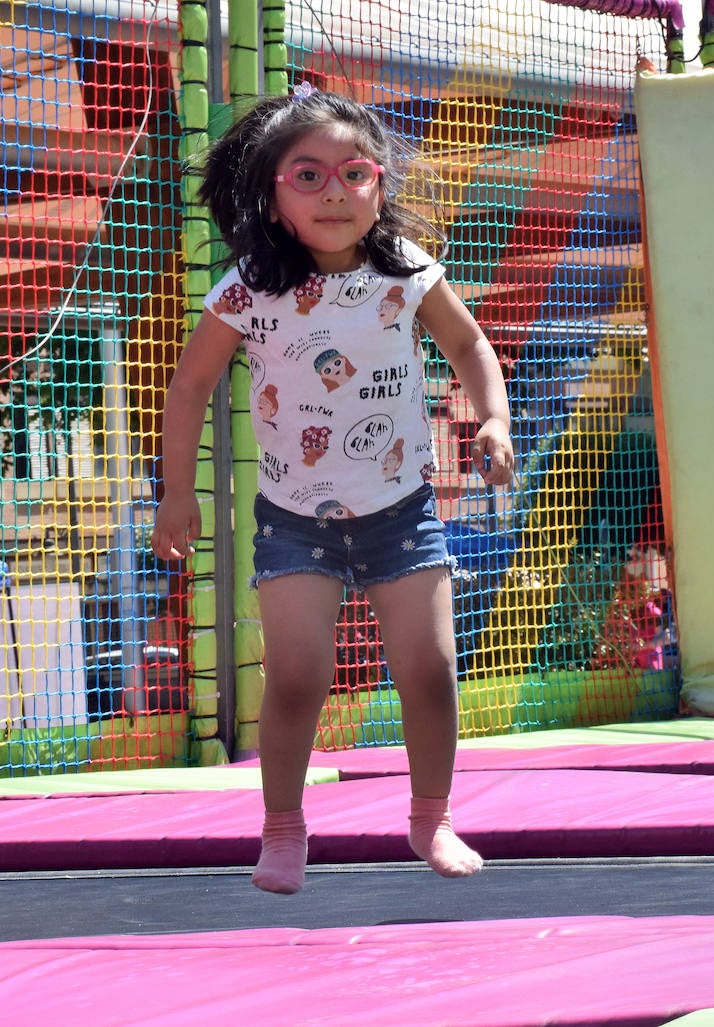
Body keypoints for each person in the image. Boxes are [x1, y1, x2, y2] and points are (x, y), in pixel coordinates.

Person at [151, 85, 514, 895]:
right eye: (307, 176)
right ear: (273, 200)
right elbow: (190, 385)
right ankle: (283, 830)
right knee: (296, 676)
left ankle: (432, 815)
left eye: (354, 173)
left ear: (379, 185)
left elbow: (470, 344)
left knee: (429, 670)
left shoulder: (404, 272)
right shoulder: (249, 287)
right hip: (293, 520)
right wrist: (178, 491)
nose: (335, 193)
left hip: (402, 512)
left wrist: (492, 420)